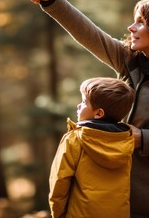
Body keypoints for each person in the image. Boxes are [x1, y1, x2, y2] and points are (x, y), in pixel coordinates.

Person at [16, 0, 149, 218]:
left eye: (141, 22)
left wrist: (142, 138)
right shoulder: (128, 62)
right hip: (115, 194)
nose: (131, 27)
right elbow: (90, 34)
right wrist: (52, 0)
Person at [49, 77, 135, 218]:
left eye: (83, 102)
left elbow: (59, 182)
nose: (78, 106)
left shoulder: (74, 139)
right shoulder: (125, 140)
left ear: (99, 113)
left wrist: (58, 213)